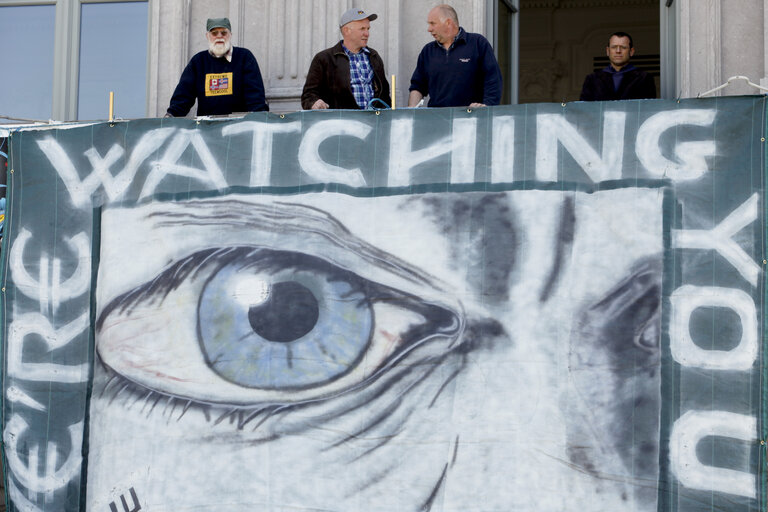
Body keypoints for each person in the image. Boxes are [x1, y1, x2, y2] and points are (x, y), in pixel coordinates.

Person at [166, 18, 268, 117]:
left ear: (230, 35)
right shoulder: (198, 61)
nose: (219, 36)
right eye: (214, 33)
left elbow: (255, 96)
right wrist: (171, 115)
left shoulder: (244, 57)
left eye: (223, 33)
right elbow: (184, 95)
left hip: (238, 127)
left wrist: (259, 119)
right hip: (206, 128)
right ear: (207, 36)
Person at [408, 4, 502, 108]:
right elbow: (417, 86)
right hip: (437, 120)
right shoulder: (427, 51)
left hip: (471, 118)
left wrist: (486, 108)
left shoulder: (478, 43)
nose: (429, 29)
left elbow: (493, 80)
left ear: (448, 23)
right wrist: (412, 111)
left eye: (432, 23)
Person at [301, 8, 391, 110]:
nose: (367, 34)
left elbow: (385, 96)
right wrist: (314, 103)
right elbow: (308, 96)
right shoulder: (324, 59)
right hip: (341, 123)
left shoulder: (373, 56)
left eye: (368, 29)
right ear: (346, 31)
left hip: (373, 122)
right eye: (362, 29)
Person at [579, 32, 656, 101]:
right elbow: (584, 110)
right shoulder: (592, 79)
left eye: (623, 47)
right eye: (614, 47)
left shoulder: (644, 78)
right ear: (608, 51)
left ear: (631, 51)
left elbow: (648, 109)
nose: (618, 51)